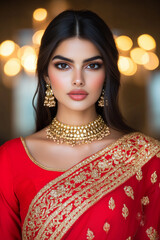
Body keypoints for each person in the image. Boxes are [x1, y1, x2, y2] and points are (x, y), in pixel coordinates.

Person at [0, 10, 160, 240]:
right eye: (63, 66)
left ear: (107, 73)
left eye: (91, 66)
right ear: (45, 74)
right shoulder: (10, 159)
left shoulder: (145, 157)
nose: (78, 79)